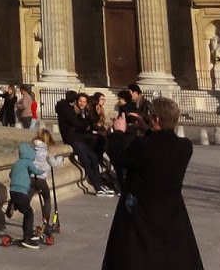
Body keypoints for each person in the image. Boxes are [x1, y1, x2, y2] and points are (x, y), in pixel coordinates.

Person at [100, 96, 204, 270]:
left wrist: (118, 133)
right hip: (173, 212)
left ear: (155, 119)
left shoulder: (142, 147)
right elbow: (161, 147)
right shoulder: (185, 146)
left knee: (141, 256)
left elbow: (118, 158)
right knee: (170, 256)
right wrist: (148, 129)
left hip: (143, 212)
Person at [62, 92, 116, 196]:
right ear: (77, 101)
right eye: (80, 101)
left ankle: (100, 185)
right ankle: (97, 187)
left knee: (94, 158)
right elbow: (77, 126)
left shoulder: (85, 111)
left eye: (84, 101)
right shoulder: (72, 112)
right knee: (86, 161)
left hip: (83, 139)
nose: (82, 103)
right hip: (75, 140)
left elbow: (89, 125)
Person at [7, 139, 41, 249]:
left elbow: (10, 174)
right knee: (29, 213)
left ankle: (13, 204)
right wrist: (42, 170)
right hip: (22, 192)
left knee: (24, 207)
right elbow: (36, 171)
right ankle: (27, 237)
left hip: (13, 191)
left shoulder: (17, 163)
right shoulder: (27, 162)